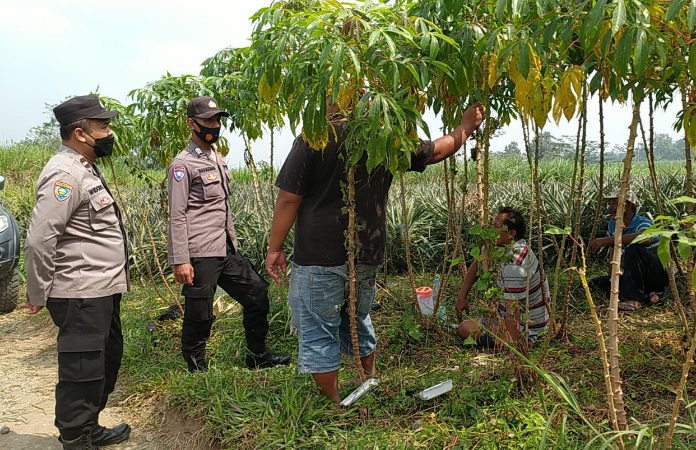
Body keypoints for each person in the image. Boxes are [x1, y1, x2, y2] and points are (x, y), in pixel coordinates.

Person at [265, 98, 485, 404]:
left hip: (319, 256)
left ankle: (335, 404)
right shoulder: (385, 136)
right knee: (357, 316)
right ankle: (367, 379)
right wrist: (465, 127)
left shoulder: (315, 136)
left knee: (318, 330)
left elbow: (289, 199)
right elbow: (435, 150)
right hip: (367, 251)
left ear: (330, 101)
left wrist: (274, 248)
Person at [21, 95, 131, 450]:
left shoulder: (85, 167)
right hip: (79, 291)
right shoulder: (63, 174)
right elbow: (40, 240)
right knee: (82, 369)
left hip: (100, 290)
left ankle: (88, 425)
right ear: (81, 133)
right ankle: (75, 436)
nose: (109, 132)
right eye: (104, 127)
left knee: (105, 360)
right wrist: (38, 293)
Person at [167, 96, 291, 372]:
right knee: (200, 311)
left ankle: (257, 354)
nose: (214, 125)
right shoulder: (182, 164)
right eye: (207, 121)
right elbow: (177, 214)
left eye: (217, 120)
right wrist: (180, 259)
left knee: (257, 292)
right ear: (191, 124)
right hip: (199, 251)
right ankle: (196, 367)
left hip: (226, 248)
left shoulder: (217, 158)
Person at [455, 207, 550, 347]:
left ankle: (519, 342)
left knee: (464, 328)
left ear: (511, 233)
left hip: (528, 328)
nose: (491, 232)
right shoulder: (514, 246)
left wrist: (511, 341)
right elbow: (480, 261)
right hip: (513, 317)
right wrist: (462, 297)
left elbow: (513, 310)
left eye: (496, 227)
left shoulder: (515, 267)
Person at [588, 189, 668, 311]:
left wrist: (607, 240)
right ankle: (649, 295)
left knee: (634, 247)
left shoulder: (642, 222)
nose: (610, 207)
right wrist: (612, 279)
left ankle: (635, 299)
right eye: (609, 203)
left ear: (629, 205)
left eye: (615, 203)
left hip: (655, 274)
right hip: (637, 278)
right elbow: (613, 250)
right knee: (596, 283)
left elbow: (645, 239)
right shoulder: (612, 224)